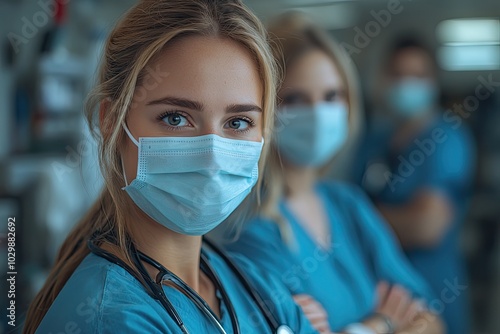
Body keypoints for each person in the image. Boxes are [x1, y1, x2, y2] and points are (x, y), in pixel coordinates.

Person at [23, 1, 317, 333]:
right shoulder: (110, 320)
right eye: (176, 118)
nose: (212, 155)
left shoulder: (253, 287)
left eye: (237, 122)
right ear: (112, 123)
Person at [219, 12, 444, 334]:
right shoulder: (247, 226)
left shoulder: (347, 204)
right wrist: (381, 324)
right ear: (263, 107)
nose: (317, 113)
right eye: (295, 99)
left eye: (331, 97)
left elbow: (431, 322)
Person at [353, 37, 475, 334]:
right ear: (383, 78)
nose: (407, 83)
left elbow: (425, 227)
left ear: (433, 82)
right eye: (398, 73)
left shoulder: (446, 139)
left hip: (433, 291)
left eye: (418, 76)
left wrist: (362, 219)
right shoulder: (374, 141)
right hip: (378, 300)